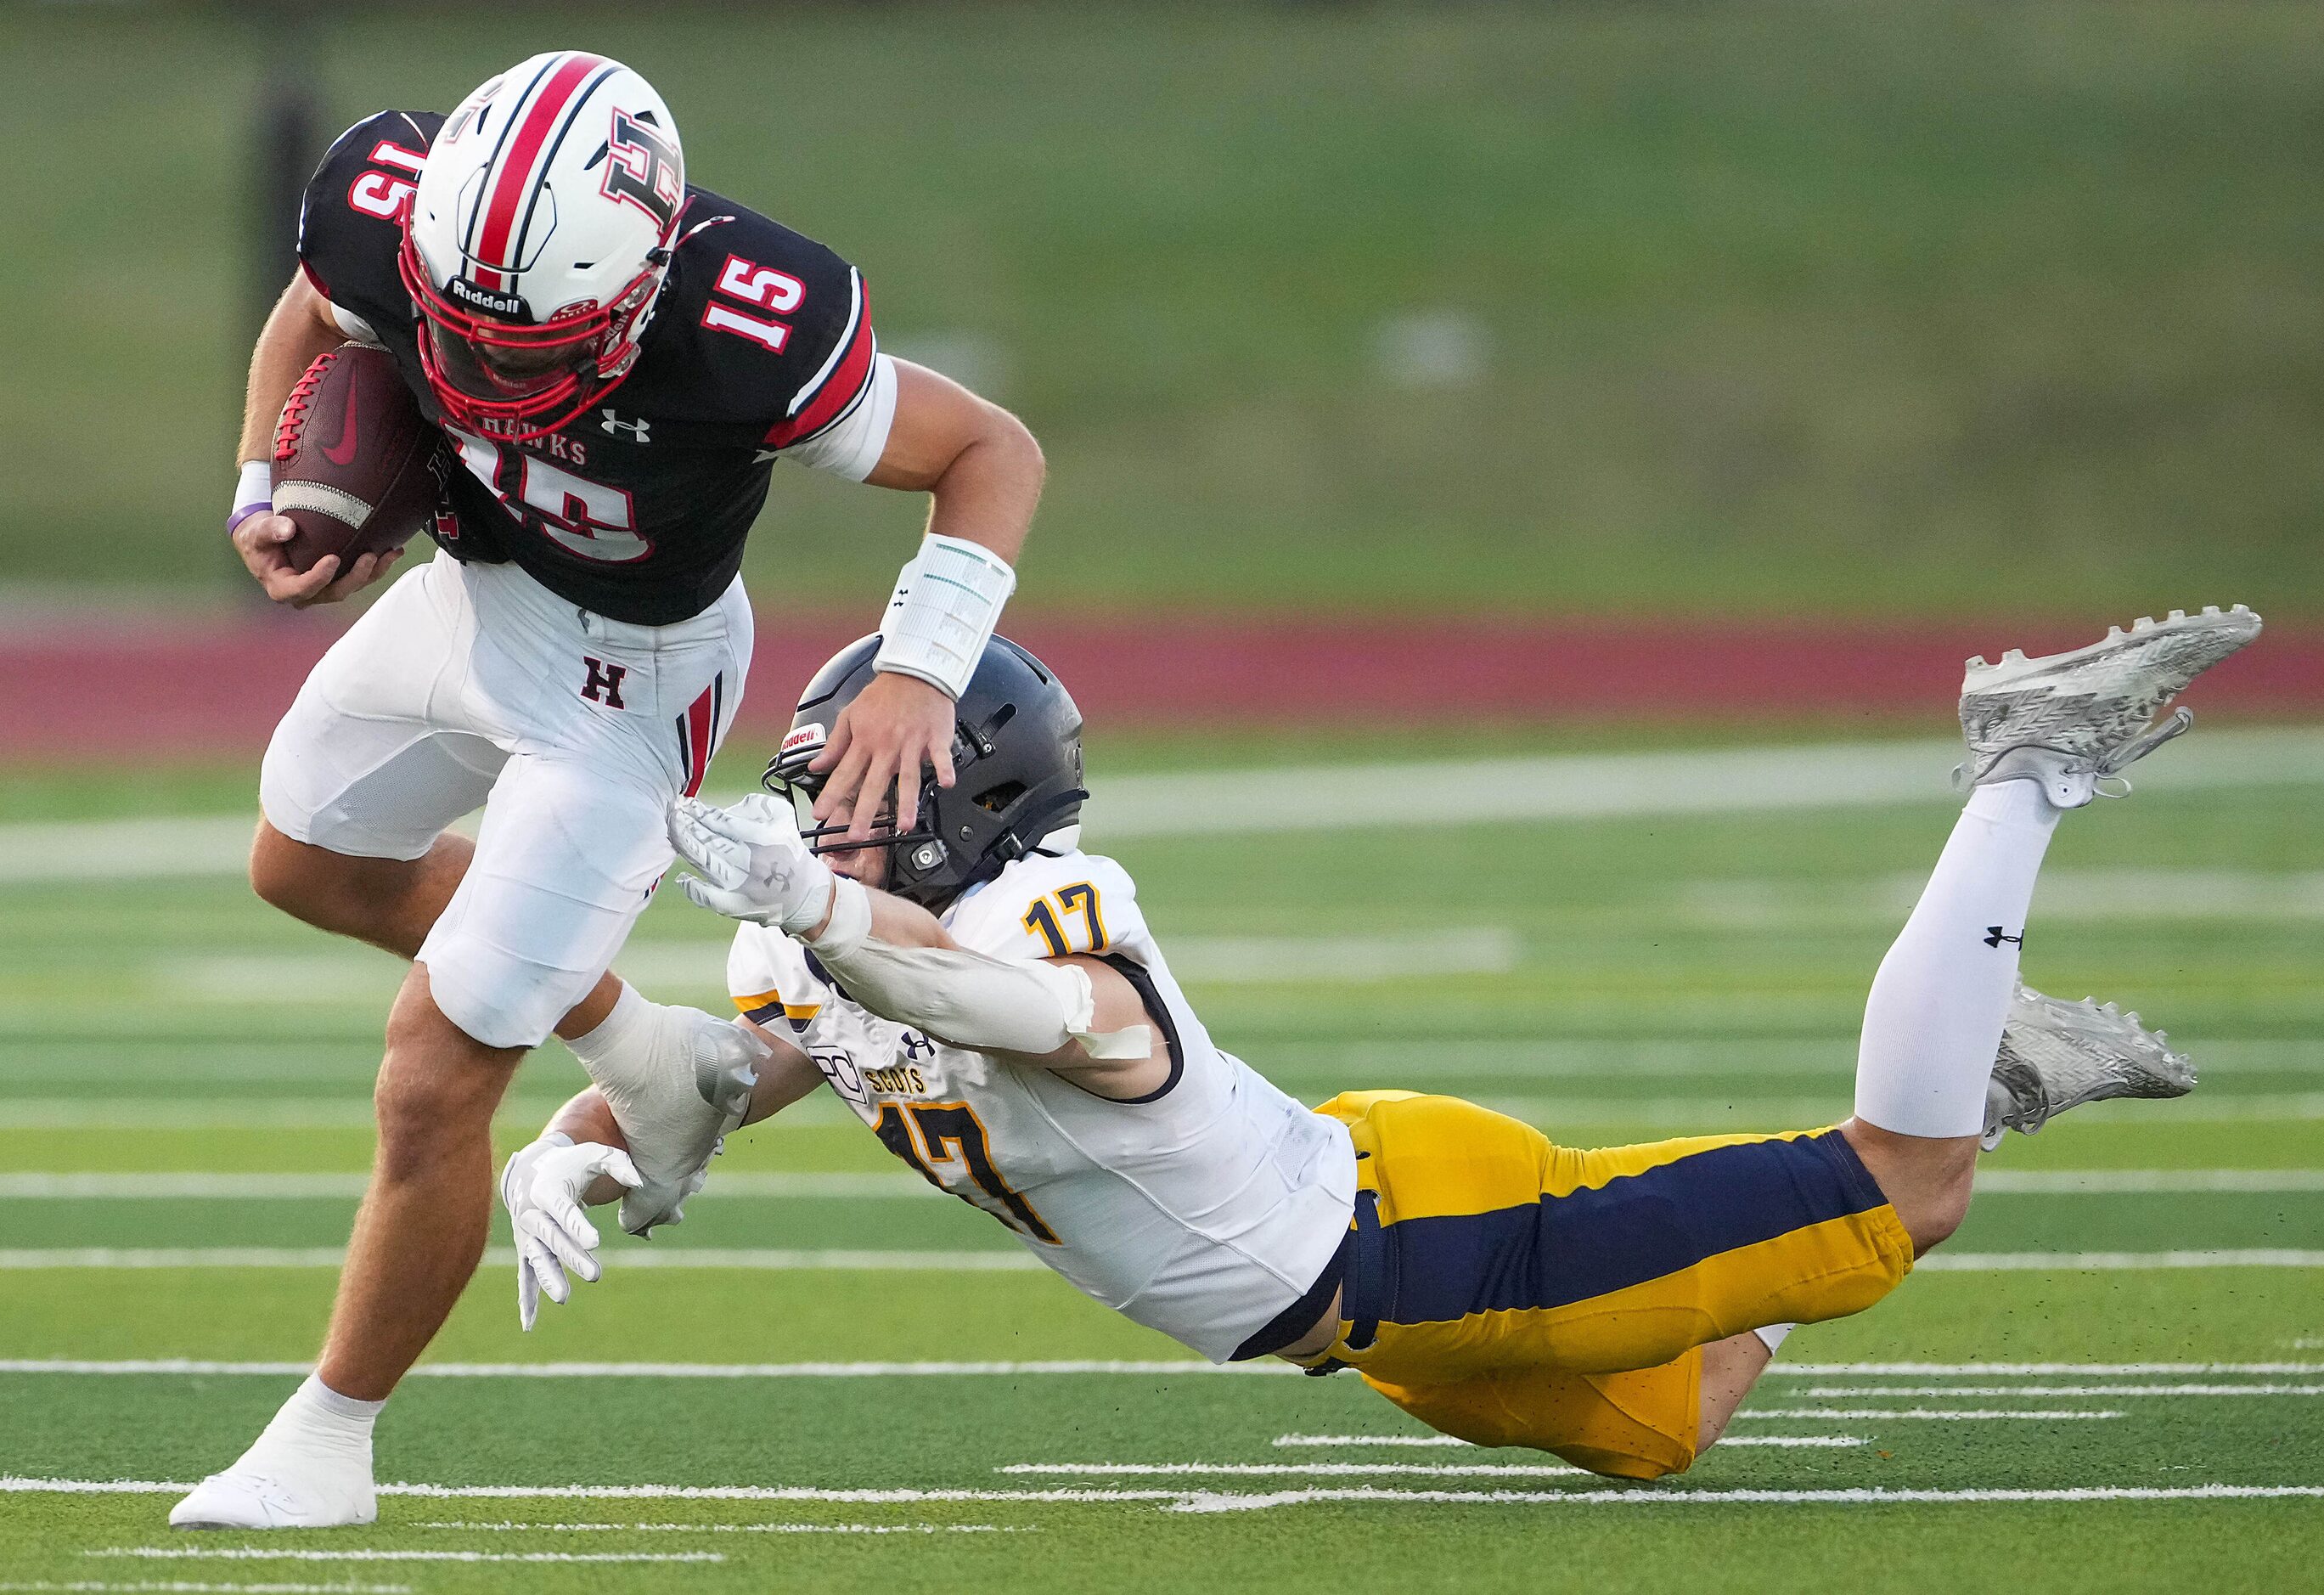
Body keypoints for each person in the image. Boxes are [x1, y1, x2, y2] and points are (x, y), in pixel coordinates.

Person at [490, 604, 2258, 1493]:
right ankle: (1979, 1066)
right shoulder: (816, 946)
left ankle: (2024, 770)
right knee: (1662, 1438)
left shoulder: (1044, 913)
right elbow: (712, 1079)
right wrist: (575, 1142)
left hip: (1429, 1233)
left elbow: (1050, 1027)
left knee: (1908, 1194)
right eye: (815, 788)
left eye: (858, 785)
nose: (821, 813)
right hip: (1347, 1296)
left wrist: (818, 912)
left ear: (967, 792)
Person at [172, 51, 1044, 1530]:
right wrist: (270, 479)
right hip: (464, 594)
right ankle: (654, 1053)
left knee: (435, 1067)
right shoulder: (387, 201)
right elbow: (319, 310)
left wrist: (919, 666)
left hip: (628, 678)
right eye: (460, 334)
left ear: (638, 288)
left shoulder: (750, 316)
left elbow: (985, 448)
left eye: (529, 349)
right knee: (303, 864)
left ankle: (330, 1441)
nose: (486, 374)